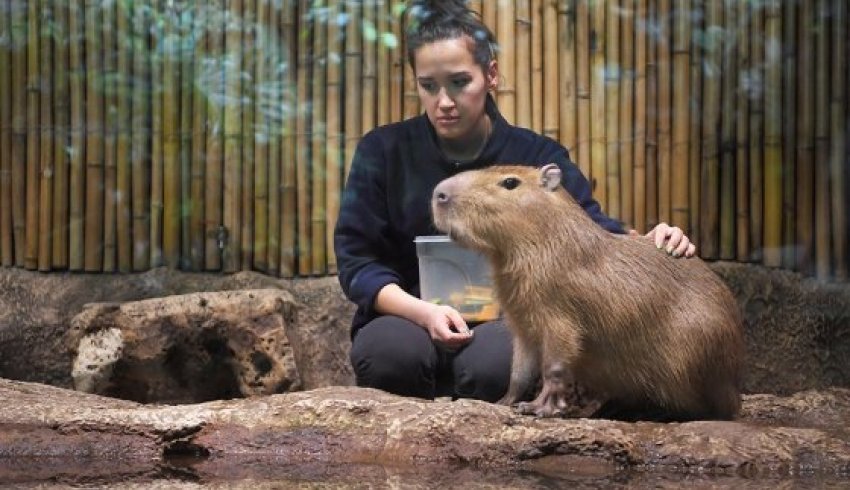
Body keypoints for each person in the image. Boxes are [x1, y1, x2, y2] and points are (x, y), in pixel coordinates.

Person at [333, 0, 696, 403]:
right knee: (387, 356)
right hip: (408, 315)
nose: (444, 102)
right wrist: (424, 312)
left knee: (494, 367)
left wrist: (652, 241)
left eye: (458, 82)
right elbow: (357, 261)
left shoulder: (536, 156)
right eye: (429, 86)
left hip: (508, 320)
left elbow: (590, 232)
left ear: (490, 75)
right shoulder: (382, 151)